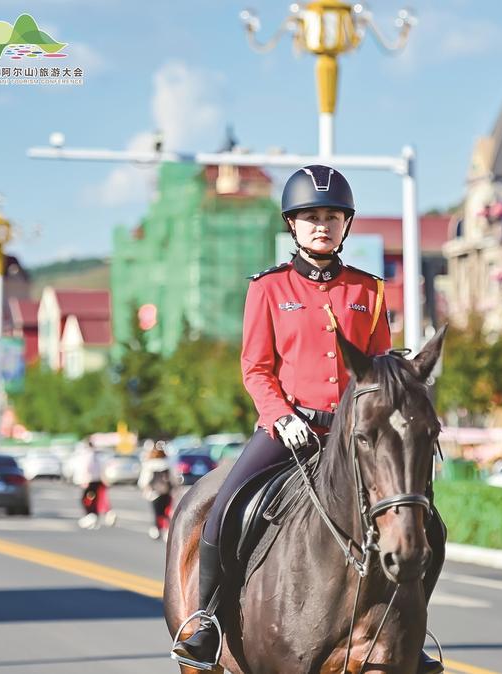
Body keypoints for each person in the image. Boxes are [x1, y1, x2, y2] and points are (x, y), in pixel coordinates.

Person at [171, 165, 445, 674]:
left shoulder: (370, 290)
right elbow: (255, 369)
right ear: (292, 225)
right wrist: (281, 416)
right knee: (225, 507)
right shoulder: (268, 289)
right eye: (311, 217)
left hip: (354, 436)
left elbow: (380, 371)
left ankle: (410, 626)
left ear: (346, 225)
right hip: (286, 430)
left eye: (332, 217)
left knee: (425, 520)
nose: (322, 225)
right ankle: (205, 621)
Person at [73, 440, 115, 529]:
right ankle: (94, 518)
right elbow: (102, 468)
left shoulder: (88, 455)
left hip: (90, 481)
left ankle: (91, 516)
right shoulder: (97, 455)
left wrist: (85, 479)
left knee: (86, 501)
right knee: (95, 501)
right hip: (97, 481)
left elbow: (87, 467)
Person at [139, 444, 174, 541]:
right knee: (166, 511)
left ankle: (156, 528)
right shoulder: (167, 464)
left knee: (156, 512)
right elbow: (173, 478)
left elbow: (144, 480)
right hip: (166, 492)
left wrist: (144, 489)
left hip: (154, 493)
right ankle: (166, 530)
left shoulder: (149, 464)